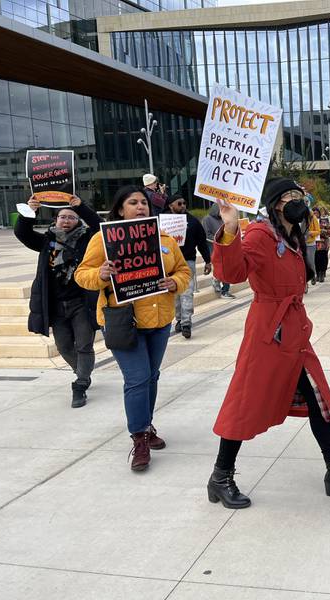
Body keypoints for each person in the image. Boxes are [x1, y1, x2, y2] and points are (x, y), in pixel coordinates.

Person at [205, 178, 330, 509]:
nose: (300, 200)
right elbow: (235, 272)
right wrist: (230, 227)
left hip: (294, 332)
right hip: (268, 333)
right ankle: (220, 477)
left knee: (318, 399)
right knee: (245, 401)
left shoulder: (291, 234)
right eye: (291, 196)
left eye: (301, 194)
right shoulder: (258, 233)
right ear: (275, 202)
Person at [75, 186, 191, 472]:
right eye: (133, 202)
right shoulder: (103, 240)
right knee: (138, 379)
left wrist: (175, 282)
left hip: (160, 321)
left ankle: (146, 426)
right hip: (123, 322)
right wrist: (100, 274)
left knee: (151, 377)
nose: (140, 207)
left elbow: (184, 271)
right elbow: (82, 275)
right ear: (119, 209)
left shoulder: (164, 239)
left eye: (144, 202)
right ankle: (139, 437)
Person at [14, 195, 101, 408]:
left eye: (71, 217)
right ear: (55, 220)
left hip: (81, 302)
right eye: (62, 217)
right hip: (56, 304)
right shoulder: (46, 241)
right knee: (63, 346)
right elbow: (22, 233)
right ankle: (81, 372)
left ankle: (80, 383)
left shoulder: (87, 239)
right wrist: (29, 211)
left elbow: (101, 227)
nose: (66, 220)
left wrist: (80, 207)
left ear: (78, 221)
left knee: (84, 345)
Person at [167, 194, 213, 338]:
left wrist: (207, 261)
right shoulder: (163, 222)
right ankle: (179, 319)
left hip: (187, 262)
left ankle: (186, 322)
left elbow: (202, 242)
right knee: (174, 294)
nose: (183, 206)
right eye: (179, 203)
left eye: (184, 203)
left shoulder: (193, 222)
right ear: (170, 206)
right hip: (169, 263)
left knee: (186, 292)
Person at [202, 204, 235, 299]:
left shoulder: (223, 219)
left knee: (227, 269)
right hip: (214, 248)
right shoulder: (207, 219)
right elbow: (207, 235)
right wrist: (218, 240)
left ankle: (223, 286)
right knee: (223, 268)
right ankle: (223, 289)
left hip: (225, 247)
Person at [314, 206, 330, 282]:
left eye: (316, 213)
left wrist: (321, 231)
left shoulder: (324, 220)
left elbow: (329, 231)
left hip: (323, 242)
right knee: (316, 259)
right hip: (314, 243)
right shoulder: (310, 221)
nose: (315, 214)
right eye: (313, 213)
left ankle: (322, 273)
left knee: (323, 258)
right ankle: (317, 274)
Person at [305, 207, 320, 285]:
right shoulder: (298, 218)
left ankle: (313, 275)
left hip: (310, 243)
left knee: (310, 262)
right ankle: (305, 281)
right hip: (301, 243)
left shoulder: (313, 218)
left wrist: (311, 233)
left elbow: (318, 231)